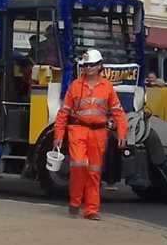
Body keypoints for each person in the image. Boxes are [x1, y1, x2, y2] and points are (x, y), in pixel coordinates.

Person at [54, 49, 128, 220]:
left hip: (99, 133)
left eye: (92, 65)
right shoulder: (75, 86)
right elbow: (63, 113)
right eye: (86, 65)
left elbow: (118, 112)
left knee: (94, 171)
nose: (88, 68)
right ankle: (75, 203)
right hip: (78, 130)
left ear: (100, 66)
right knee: (78, 166)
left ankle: (91, 209)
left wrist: (122, 132)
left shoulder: (107, 87)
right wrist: (58, 136)